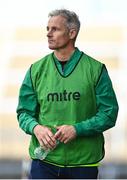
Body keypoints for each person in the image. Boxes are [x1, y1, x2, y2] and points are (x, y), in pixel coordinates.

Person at [16, 9, 119, 179]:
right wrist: (36, 128)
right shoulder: (35, 70)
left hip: (84, 162)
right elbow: (23, 113)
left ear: (72, 33)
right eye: (47, 29)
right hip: (44, 162)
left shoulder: (96, 69)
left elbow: (109, 113)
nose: (48, 34)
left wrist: (77, 129)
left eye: (55, 29)